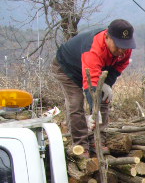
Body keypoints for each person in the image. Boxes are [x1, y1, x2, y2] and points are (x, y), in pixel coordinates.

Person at [51, 19, 136, 154]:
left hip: (95, 70)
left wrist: (108, 83)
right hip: (67, 68)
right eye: (118, 46)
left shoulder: (126, 50)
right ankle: (81, 145)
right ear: (107, 37)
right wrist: (93, 112)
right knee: (75, 103)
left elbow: (119, 66)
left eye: (124, 46)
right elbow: (90, 83)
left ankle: (97, 141)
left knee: (103, 98)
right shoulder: (93, 49)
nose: (121, 50)